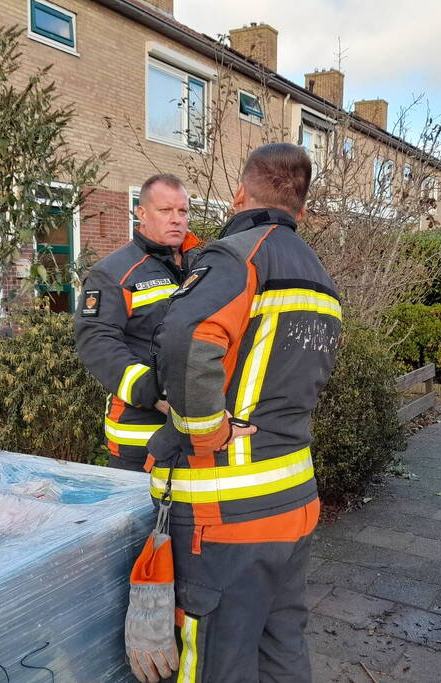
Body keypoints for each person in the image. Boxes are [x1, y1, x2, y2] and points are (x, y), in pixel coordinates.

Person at [129, 143, 341, 682]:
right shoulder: (320, 276)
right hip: (293, 500)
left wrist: (204, 432)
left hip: (226, 513)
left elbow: (186, 337)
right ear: (302, 209)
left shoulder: (236, 256)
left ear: (239, 194)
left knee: (216, 662)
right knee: (281, 648)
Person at [74, 174, 199, 471]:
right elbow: (97, 343)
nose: (176, 219)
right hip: (141, 435)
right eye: (165, 210)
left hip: (200, 430)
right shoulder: (114, 273)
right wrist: (151, 391)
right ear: (141, 213)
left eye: (182, 211)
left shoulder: (201, 266)